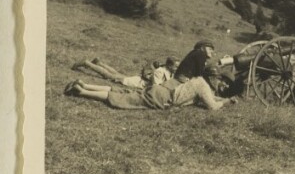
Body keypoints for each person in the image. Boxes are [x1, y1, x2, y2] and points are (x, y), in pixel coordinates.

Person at [63, 75, 237, 111]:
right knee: (123, 98)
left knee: (123, 90)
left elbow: (208, 97)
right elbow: (212, 106)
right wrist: (226, 102)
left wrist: (223, 98)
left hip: (162, 88)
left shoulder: (199, 80)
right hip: (164, 98)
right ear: (215, 80)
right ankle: (81, 91)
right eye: (223, 82)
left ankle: (85, 84)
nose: (222, 85)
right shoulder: (204, 87)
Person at [72, 56, 178, 89]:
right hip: (136, 83)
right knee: (109, 76)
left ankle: (99, 63)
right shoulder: (160, 71)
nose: (177, 68)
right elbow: (155, 87)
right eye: (175, 66)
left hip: (137, 79)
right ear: (169, 65)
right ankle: (87, 64)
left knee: (116, 73)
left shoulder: (169, 72)